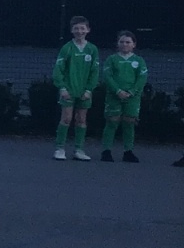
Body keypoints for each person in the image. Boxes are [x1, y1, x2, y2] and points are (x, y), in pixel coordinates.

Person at [51, 16, 99, 161]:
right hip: (69, 89)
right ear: (72, 30)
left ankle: (79, 150)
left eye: (82, 28)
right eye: (76, 28)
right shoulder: (67, 48)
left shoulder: (92, 49)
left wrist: (89, 89)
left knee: (81, 119)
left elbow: (94, 72)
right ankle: (60, 148)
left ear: (88, 30)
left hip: (84, 91)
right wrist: (62, 87)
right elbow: (58, 69)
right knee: (66, 118)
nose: (79, 31)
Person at [99, 31, 147, 163]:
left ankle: (128, 151)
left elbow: (142, 78)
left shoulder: (139, 60)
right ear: (117, 43)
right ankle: (106, 151)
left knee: (129, 122)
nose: (124, 44)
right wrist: (118, 91)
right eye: (121, 42)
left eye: (128, 42)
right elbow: (107, 77)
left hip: (132, 97)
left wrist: (132, 91)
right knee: (112, 121)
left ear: (134, 44)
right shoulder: (111, 59)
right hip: (114, 95)